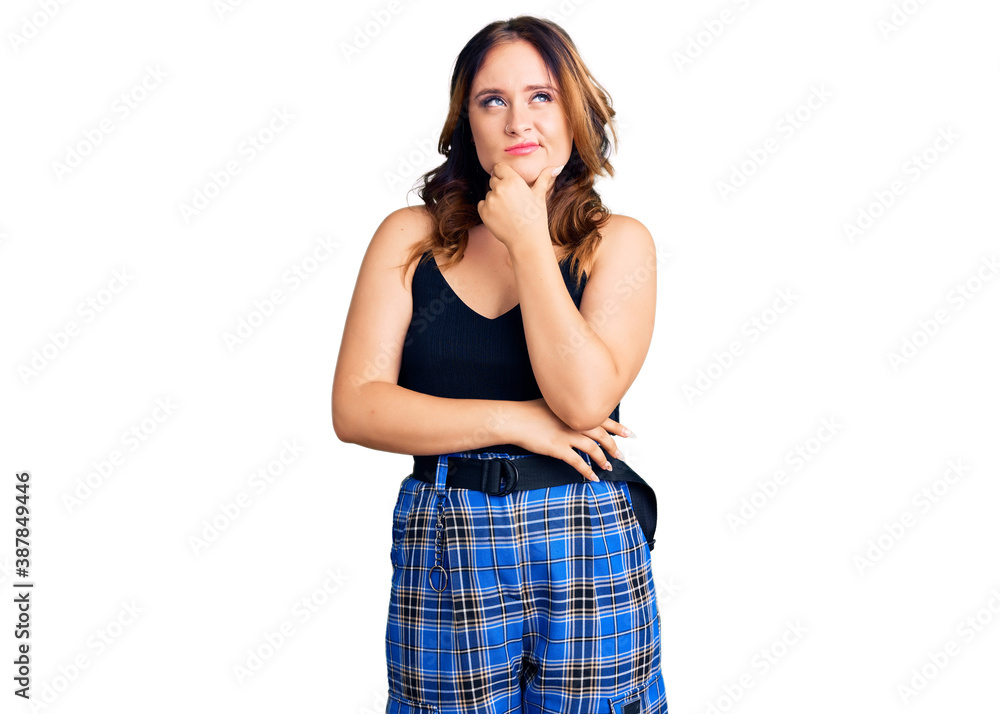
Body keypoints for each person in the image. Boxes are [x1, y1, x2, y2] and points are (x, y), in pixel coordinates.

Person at [331, 15, 667, 714]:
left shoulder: (619, 244)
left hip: (585, 531)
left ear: (574, 113)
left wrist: (527, 237)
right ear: (468, 122)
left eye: (542, 96)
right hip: (447, 534)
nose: (519, 120)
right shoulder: (410, 239)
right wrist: (518, 422)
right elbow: (357, 407)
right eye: (493, 100)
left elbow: (582, 402)